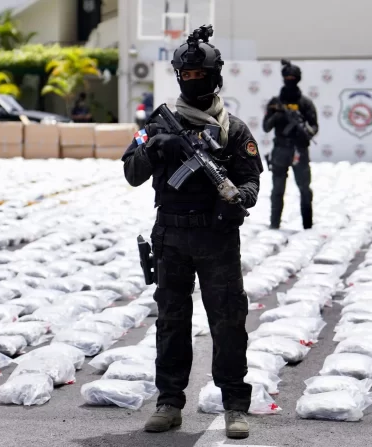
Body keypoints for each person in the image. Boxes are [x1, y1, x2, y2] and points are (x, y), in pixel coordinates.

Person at [121, 25, 262, 440]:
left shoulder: (234, 130)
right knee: (171, 322)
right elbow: (131, 172)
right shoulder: (158, 123)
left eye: (201, 75)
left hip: (217, 239)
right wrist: (154, 147)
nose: (194, 81)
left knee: (228, 322)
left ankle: (234, 405)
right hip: (172, 238)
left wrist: (237, 197)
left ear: (215, 77)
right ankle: (169, 403)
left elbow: (252, 181)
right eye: (188, 75)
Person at [263, 60, 319, 229]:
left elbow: (314, 126)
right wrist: (278, 115)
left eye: (293, 78)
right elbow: (266, 127)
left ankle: (307, 225)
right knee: (277, 190)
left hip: (299, 150)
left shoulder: (305, 103)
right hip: (280, 150)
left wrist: (305, 130)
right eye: (287, 77)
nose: (290, 80)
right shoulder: (275, 102)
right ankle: (274, 224)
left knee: (304, 189)